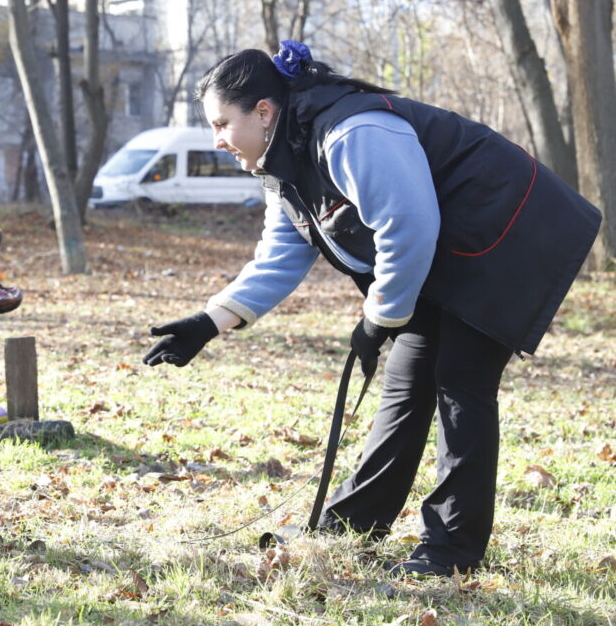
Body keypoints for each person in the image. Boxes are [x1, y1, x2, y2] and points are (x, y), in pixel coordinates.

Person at [143, 41, 601, 577]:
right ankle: (352, 524)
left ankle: (451, 550)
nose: (217, 140)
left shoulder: (351, 133)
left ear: (263, 112)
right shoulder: (284, 163)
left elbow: (407, 227)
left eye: (222, 124)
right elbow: (282, 254)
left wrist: (380, 317)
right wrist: (209, 322)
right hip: (448, 254)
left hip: (508, 234)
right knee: (408, 382)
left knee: (460, 379)